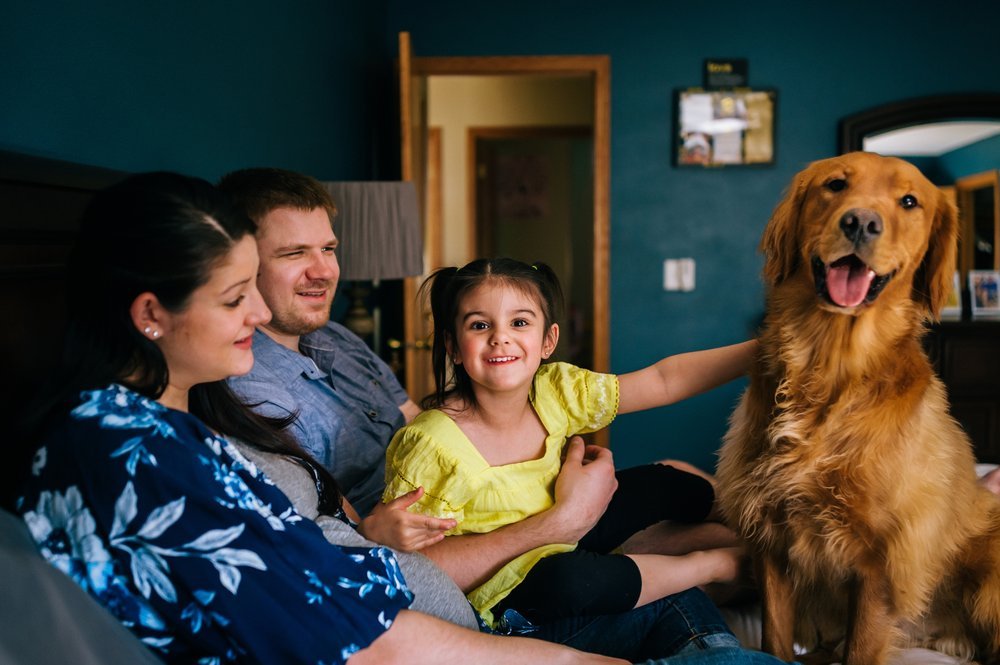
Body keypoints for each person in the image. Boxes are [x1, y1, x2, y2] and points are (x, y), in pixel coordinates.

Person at [15, 171, 793, 665]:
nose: (260, 307)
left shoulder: (190, 418)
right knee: (650, 591)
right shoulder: (137, 460)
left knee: (685, 508)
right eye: (235, 295)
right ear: (152, 313)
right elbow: (367, 638)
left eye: (327, 248)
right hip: (479, 599)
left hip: (449, 587)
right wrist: (556, 539)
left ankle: (749, 573)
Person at [384, 258, 756, 632]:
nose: (500, 337)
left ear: (548, 341)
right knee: (572, 581)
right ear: (453, 346)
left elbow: (663, 381)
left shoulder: (555, 391)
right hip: (513, 587)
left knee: (660, 482)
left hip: (572, 534)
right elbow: (414, 564)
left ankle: (757, 521)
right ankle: (716, 565)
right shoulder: (431, 443)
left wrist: (763, 352)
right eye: (480, 325)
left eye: (519, 322)